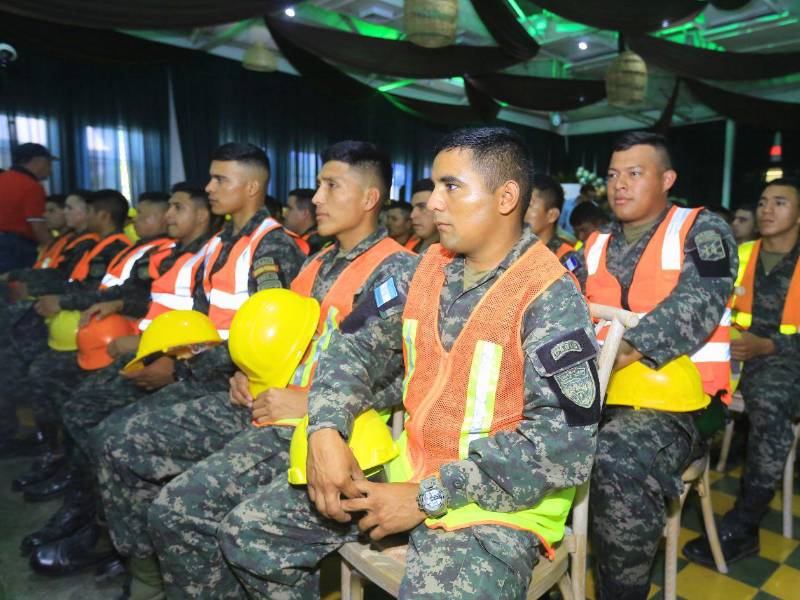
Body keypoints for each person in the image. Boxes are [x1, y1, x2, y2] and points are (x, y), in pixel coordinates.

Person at [217, 127, 599, 599]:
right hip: (407, 471)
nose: (433, 203)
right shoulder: (421, 270)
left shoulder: (550, 295)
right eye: (434, 186)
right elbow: (350, 346)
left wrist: (428, 497)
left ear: (505, 197)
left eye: (450, 187)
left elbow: (564, 444)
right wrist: (325, 430)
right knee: (248, 536)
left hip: (497, 504)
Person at [147, 140, 417, 598]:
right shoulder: (316, 262)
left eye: (332, 186)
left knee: (224, 527)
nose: (316, 198)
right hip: (279, 419)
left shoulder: (397, 273)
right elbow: (281, 343)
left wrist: (312, 401)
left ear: (370, 198)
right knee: (174, 510)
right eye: (318, 186)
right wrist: (247, 372)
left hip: (341, 434)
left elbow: (404, 378)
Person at [30, 142, 307, 582]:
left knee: (119, 440)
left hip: (235, 388)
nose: (209, 187)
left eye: (221, 179)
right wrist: (169, 358)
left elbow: (266, 341)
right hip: (202, 373)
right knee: (106, 433)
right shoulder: (221, 242)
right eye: (210, 177)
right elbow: (198, 325)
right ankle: (132, 552)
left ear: (252, 186)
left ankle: (143, 569)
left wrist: (177, 369)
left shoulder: (273, 247)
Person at [18, 183, 217, 564]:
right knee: (80, 407)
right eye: (168, 207)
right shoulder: (176, 253)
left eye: (176, 208)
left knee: (102, 426)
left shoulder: (212, 256)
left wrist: (164, 358)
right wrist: (121, 303)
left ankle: (107, 533)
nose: (168, 216)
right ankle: (88, 510)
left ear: (202, 214)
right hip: (154, 352)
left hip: (181, 365)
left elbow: (212, 326)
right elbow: (146, 296)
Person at [581, 131, 737, 599]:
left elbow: (698, 304)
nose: (619, 185)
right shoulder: (593, 245)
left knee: (618, 458)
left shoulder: (702, 229)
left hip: (685, 403)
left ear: (667, 179)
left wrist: (617, 357)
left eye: (634, 173)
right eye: (612, 175)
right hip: (597, 393)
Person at [17, 192, 171, 505]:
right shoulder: (138, 250)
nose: (135, 219)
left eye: (144, 214)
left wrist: (106, 304)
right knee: (61, 393)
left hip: (137, 349)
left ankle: (88, 495)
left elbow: (143, 296)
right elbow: (105, 287)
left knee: (84, 410)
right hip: (103, 341)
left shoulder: (158, 251)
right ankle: (71, 472)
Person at [684, 179, 800, 567]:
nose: (767, 209)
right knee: (682, 381)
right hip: (730, 355)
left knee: (769, 403)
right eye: (763, 201)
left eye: (780, 203)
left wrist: (769, 346)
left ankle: (745, 523)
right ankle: (674, 476)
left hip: (787, 364)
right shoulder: (742, 253)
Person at [0, 143, 56, 272]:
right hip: (14, 248)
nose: (50, 170)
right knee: (17, 286)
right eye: (48, 164)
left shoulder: (2, 178)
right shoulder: (32, 187)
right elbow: (37, 226)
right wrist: (56, 248)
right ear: (37, 162)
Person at [524, 173, 585, 279]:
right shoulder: (516, 250)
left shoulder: (567, 260)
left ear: (552, 215)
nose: (521, 212)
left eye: (529, 205)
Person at [283, 187, 331, 253]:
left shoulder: (312, 246)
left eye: (289, 208)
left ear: (305, 213)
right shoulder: (315, 238)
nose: (285, 214)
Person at [408, 177, 439, 253]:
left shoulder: (457, 258)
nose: (412, 215)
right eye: (413, 208)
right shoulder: (412, 245)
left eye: (422, 207)